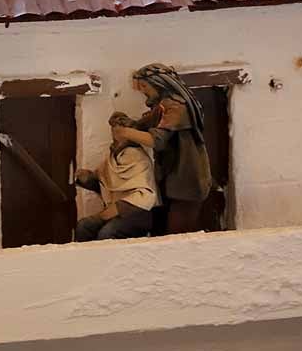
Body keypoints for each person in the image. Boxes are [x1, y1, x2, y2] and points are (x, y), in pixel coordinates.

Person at [111, 63, 212, 235]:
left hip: (186, 181)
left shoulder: (177, 107)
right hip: (170, 181)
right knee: (161, 232)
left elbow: (157, 140)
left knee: (177, 234)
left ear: (159, 84)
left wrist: (125, 132)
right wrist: (126, 123)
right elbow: (142, 126)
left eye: (144, 86)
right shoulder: (162, 106)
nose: (142, 91)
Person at [74, 114, 159, 242]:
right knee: (83, 226)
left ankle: (106, 261)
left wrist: (116, 209)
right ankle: (85, 261)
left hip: (136, 215)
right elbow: (105, 183)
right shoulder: (113, 158)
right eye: (113, 132)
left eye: (119, 131)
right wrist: (87, 178)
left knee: (107, 233)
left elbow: (145, 195)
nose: (115, 136)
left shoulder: (139, 160)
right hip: (113, 212)